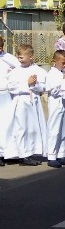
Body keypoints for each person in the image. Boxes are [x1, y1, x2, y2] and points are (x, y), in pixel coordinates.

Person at [5, 44, 49, 166]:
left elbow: (43, 87)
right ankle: (23, 155)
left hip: (33, 103)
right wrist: (27, 84)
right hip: (21, 102)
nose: (19, 60)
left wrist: (34, 85)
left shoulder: (38, 71)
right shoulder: (15, 72)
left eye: (22, 57)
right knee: (22, 128)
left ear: (31, 56)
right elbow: (12, 87)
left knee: (33, 128)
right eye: (18, 57)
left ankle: (31, 152)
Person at [45, 50, 65, 168]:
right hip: (56, 103)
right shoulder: (52, 74)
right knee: (54, 129)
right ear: (54, 62)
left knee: (64, 129)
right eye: (63, 63)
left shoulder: (63, 73)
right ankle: (51, 155)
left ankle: (61, 153)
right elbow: (54, 90)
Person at [0, 36, 21, 165]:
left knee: (7, 125)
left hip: (6, 94)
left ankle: (8, 153)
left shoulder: (8, 58)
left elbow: (21, 68)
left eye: (1, 47)